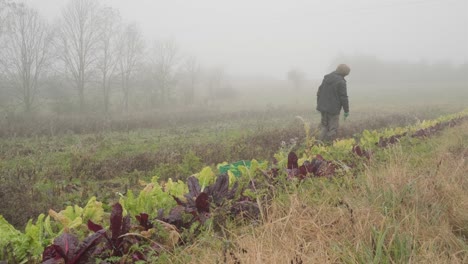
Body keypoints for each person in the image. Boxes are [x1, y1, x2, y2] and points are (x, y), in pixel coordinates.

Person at [316, 64, 350, 142]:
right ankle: (328, 145)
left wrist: (319, 105)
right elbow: (343, 97)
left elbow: (319, 92)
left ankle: (319, 144)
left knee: (324, 127)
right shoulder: (341, 82)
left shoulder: (326, 78)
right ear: (344, 73)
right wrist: (346, 111)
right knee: (333, 129)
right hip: (333, 110)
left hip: (323, 108)